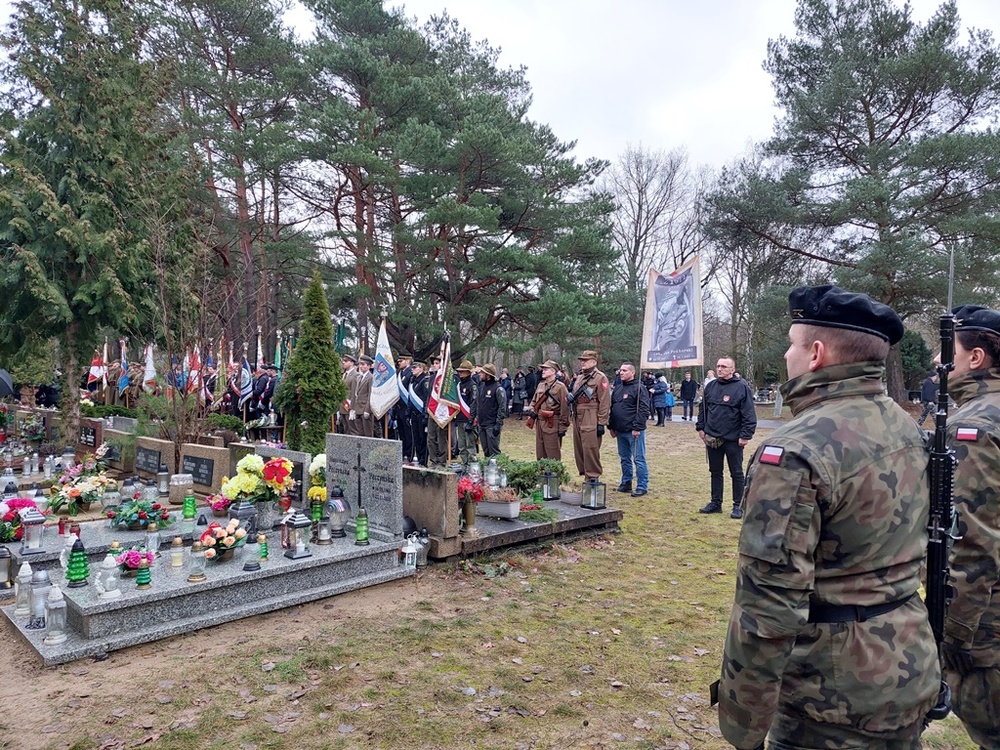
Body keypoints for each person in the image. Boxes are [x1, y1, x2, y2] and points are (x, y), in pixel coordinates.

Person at [717, 284, 940, 750]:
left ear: (816, 353)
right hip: (907, 663)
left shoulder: (796, 451)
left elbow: (768, 607)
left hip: (831, 696)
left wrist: (743, 727)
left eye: (792, 344)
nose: (786, 355)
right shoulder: (903, 424)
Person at [937, 305, 1000, 750]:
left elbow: (973, 538)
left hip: (988, 620)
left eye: (948, 351)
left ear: (975, 358)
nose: (937, 362)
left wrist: (955, 631)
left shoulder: (975, 425)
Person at [695, 356, 756, 518]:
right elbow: (703, 409)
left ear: (732, 369)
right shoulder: (711, 386)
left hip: (733, 439)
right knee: (715, 471)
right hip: (713, 437)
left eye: (724, 366)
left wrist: (746, 435)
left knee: (736, 473)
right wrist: (701, 427)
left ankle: (738, 505)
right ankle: (716, 503)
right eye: (718, 366)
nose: (720, 369)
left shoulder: (741, 387)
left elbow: (749, 414)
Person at [609, 362, 650, 496]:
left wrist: (637, 427)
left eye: (625, 370)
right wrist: (611, 426)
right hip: (620, 430)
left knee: (638, 459)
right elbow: (613, 408)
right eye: (620, 370)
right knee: (624, 458)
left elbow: (644, 409)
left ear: (632, 372)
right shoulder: (618, 389)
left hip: (634, 431)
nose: (621, 372)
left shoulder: (639, 388)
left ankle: (642, 486)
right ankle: (626, 482)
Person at [569, 350, 610, 483]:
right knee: (579, 447)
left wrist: (601, 422)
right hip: (578, 414)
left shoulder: (600, 377)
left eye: (585, 360)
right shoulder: (580, 377)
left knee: (590, 447)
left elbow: (604, 401)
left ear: (593, 362)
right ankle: (585, 472)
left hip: (591, 414)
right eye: (582, 360)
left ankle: (593, 476)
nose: (582, 363)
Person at [526, 360, 569, 460]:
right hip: (539, 422)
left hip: (552, 423)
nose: (543, 371)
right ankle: (542, 470)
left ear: (553, 371)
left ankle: (553, 471)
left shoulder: (560, 387)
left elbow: (565, 408)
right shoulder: (540, 385)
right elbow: (534, 401)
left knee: (553, 454)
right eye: (543, 369)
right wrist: (531, 410)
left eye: (546, 369)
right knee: (540, 454)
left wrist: (563, 427)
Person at [476, 363, 506, 458]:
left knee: (494, 451)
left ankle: (497, 467)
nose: (480, 374)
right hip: (482, 424)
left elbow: (502, 407)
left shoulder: (498, 388)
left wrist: (498, 424)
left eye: (482, 373)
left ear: (488, 375)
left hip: (492, 425)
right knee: (486, 451)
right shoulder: (482, 387)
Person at [425, 356, 450, 468]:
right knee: (431, 437)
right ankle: (433, 460)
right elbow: (429, 395)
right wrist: (427, 409)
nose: (435, 365)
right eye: (434, 363)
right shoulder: (432, 378)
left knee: (441, 437)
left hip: (443, 411)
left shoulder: (447, 379)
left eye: (437, 363)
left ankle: (442, 461)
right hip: (432, 410)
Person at [454, 360, 478, 467]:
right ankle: (464, 464)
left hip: (468, 419)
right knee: (461, 445)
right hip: (460, 418)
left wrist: (471, 420)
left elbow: (474, 404)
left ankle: (472, 466)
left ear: (468, 372)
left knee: (470, 445)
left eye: (462, 371)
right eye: (459, 371)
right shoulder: (459, 385)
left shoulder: (472, 386)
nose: (460, 373)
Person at [406, 360, 430, 466]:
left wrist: (425, 415)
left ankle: (423, 460)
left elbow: (426, 399)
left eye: (415, 367)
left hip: (421, 414)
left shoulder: (425, 381)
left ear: (421, 368)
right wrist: (408, 413)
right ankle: (419, 458)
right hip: (414, 414)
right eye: (412, 367)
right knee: (416, 438)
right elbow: (410, 398)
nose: (412, 369)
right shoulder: (412, 380)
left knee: (422, 438)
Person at [338, 353, 358, 434]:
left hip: (350, 406)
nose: (343, 362)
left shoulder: (355, 375)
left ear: (352, 363)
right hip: (343, 406)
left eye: (346, 361)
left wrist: (352, 408)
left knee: (352, 430)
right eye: (343, 361)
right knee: (346, 429)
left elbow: (354, 392)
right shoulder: (344, 374)